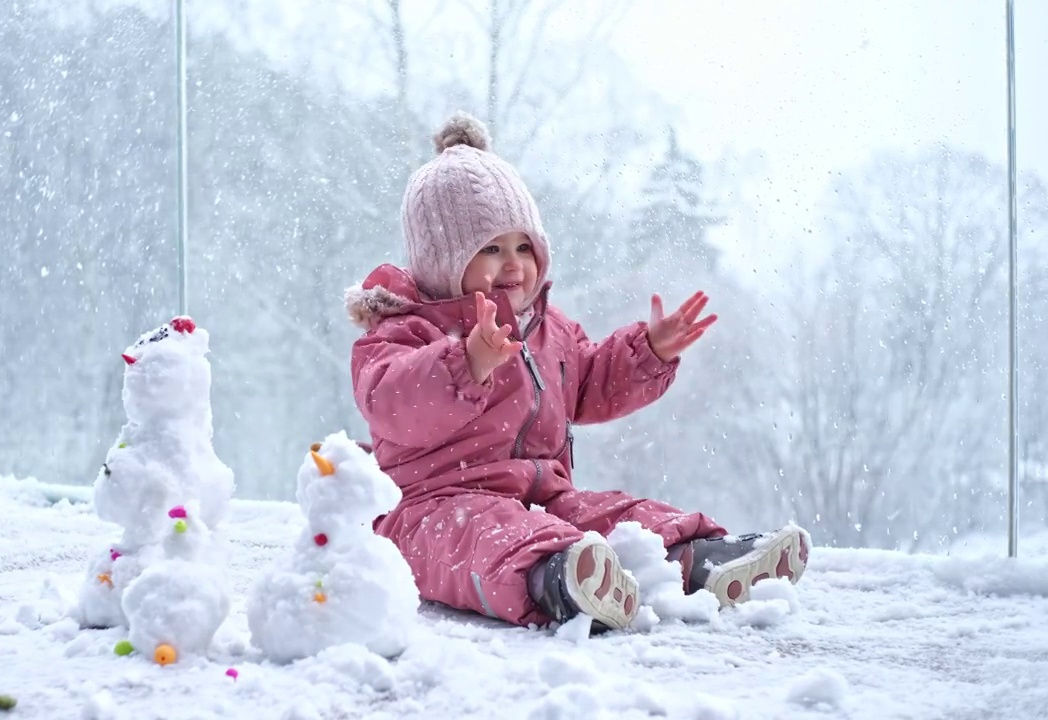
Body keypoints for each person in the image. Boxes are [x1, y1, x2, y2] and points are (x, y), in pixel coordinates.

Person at [345, 112, 808, 631]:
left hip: (543, 497)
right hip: (431, 508)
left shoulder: (549, 330)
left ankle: (697, 558)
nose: (515, 264)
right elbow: (390, 403)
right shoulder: (405, 331)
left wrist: (647, 352)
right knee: (483, 536)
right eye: (492, 250)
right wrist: (466, 362)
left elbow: (588, 382)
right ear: (443, 260)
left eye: (524, 246)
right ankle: (560, 578)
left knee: (611, 515)